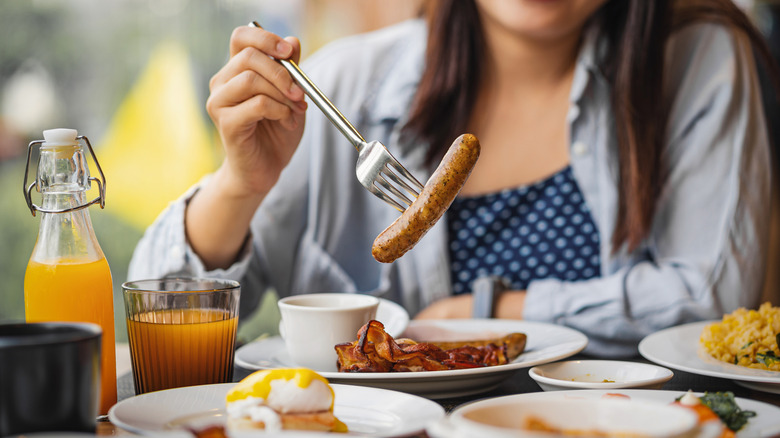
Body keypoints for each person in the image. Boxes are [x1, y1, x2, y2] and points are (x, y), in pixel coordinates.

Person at [129, 0, 775, 357]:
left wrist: (483, 314)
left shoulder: (699, 60)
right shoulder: (345, 85)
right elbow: (157, 332)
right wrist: (239, 185)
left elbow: (711, 301)